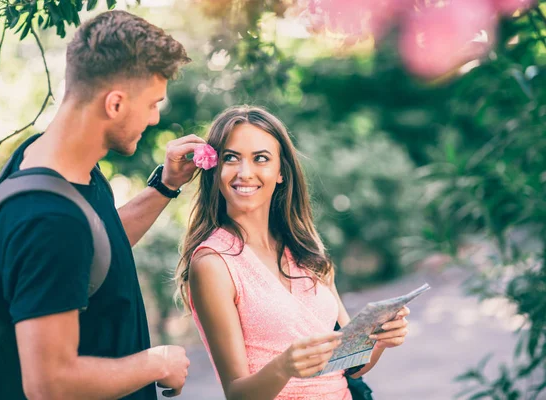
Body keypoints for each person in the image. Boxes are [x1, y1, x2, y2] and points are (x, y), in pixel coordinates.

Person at [0, 10, 205, 399]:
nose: (155, 118)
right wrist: (157, 363)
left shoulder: (50, 161)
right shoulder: (47, 217)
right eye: (153, 103)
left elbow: (97, 248)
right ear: (115, 104)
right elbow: (49, 383)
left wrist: (166, 186)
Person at [175, 106, 411, 400]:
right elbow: (238, 394)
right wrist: (284, 366)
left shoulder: (306, 249)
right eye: (231, 158)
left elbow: (349, 366)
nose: (244, 172)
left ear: (281, 173)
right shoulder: (213, 263)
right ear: (216, 170)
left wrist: (379, 340)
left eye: (260, 158)